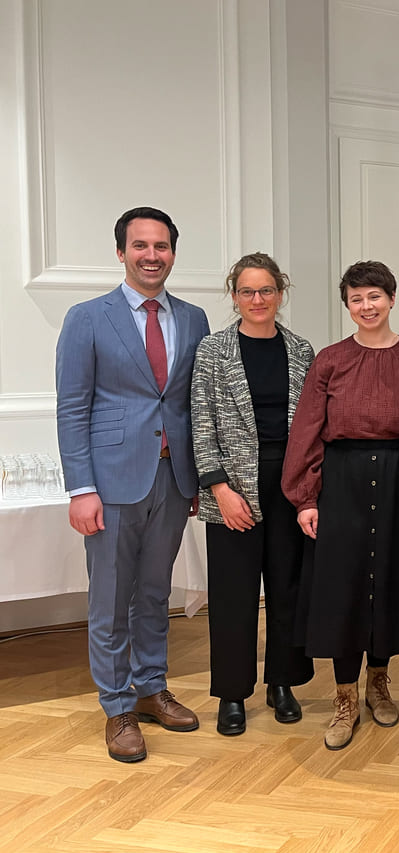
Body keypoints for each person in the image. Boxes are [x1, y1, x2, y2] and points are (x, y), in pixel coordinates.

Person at [55, 206, 211, 762]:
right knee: (110, 597)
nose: (152, 255)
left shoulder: (194, 319)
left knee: (153, 593)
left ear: (173, 252)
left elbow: (192, 402)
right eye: (141, 245)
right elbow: (73, 407)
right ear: (121, 252)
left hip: (172, 478)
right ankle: (117, 706)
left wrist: (199, 477)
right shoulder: (87, 318)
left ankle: (150, 688)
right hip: (111, 481)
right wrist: (81, 488)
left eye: (162, 246)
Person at [282, 260, 399, 750]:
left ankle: (378, 682)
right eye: (356, 299)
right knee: (342, 586)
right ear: (347, 305)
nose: (366, 307)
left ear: (391, 298)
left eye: (375, 297)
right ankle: (344, 696)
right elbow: (306, 428)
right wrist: (305, 497)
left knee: (387, 579)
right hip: (340, 481)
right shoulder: (329, 360)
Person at [190, 252, 315, 736]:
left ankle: (282, 682)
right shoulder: (212, 351)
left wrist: (307, 491)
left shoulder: (301, 350)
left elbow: (311, 425)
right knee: (232, 595)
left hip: (288, 485)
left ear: (280, 293)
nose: (257, 300)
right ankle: (232, 693)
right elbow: (200, 424)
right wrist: (218, 487)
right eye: (247, 291)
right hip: (232, 489)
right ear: (234, 295)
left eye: (266, 290)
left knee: (288, 589)